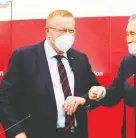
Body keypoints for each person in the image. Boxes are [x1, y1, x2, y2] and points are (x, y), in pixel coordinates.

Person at [0, 9, 100, 138]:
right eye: (63, 30)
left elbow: (94, 91)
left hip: (75, 133)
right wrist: (17, 133)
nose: (68, 35)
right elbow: (5, 98)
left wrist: (83, 99)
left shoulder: (80, 58)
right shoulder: (24, 57)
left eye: (71, 31)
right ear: (47, 31)